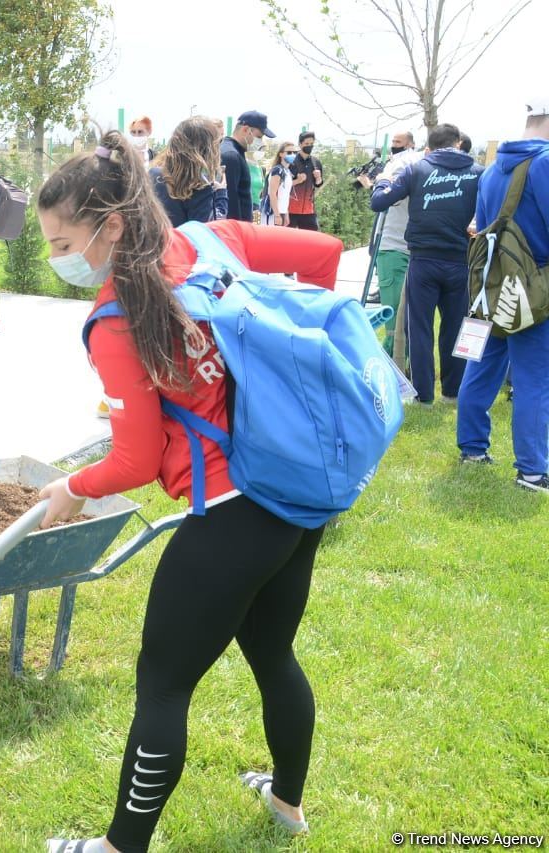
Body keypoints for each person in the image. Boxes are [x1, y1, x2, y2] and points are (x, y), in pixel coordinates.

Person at [36, 131, 343, 853]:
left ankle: (119, 848)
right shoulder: (212, 240)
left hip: (232, 516)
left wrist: (71, 486)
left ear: (110, 224)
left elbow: (136, 459)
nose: (56, 257)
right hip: (293, 492)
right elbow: (325, 255)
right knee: (273, 653)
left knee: (164, 685)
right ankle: (287, 805)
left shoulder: (117, 318)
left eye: (61, 241)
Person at [455, 99, 549, 493]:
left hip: (490, 284)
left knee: (482, 365)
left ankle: (472, 449)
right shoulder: (544, 164)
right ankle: (532, 470)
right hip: (533, 287)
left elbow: (478, 225)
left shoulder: (493, 167)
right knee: (534, 379)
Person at [371, 122, 483, 404]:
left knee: (419, 328)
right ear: (458, 143)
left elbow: (379, 202)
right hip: (460, 261)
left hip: (423, 260)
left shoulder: (416, 169)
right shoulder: (479, 173)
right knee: (455, 327)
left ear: (429, 145)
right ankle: (452, 393)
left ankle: (423, 395)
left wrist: (384, 180)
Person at [358, 131, 421, 357]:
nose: (394, 146)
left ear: (411, 144)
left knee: (392, 312)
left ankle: (392, 360)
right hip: (404, 243)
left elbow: (384, 200)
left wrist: (380, 183)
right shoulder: (418, 162)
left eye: (398, 143)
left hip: (394, 244)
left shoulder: (401, 163)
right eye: (393, 142)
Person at [149, 116, 229, 227]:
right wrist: (221, 194)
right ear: (208, 149)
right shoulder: (200, 187)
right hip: (179, 244)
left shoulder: (153, 175)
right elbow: (210, 232)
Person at [221, 110, 275, 221]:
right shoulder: (231, 156)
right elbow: (231, 201)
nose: (261, 142)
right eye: (259, 137)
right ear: (246, 129)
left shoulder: (237, 153)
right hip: (234, 229)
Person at [287, 131, 324, 231]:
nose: (309, 146)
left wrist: (319, 178)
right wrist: (297, 180)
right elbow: (282, 184)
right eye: (307, 144)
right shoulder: (291, 161)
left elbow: (318, 184)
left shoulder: (316, 162)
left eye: (311, 144)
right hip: (290, 210)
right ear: (300, 144)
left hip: (309, 211)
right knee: (288, 242)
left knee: (312, 240)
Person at [262, 141, 296, 226]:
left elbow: (285, 194)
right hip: (272, 213)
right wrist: (277, 215)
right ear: (281, 154)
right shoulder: (277, 170)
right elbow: (272, 193)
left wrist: (286, 213)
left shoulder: (287, 171)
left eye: (294, 152)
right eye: (289, 152)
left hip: (282, 212)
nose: (292, 155)